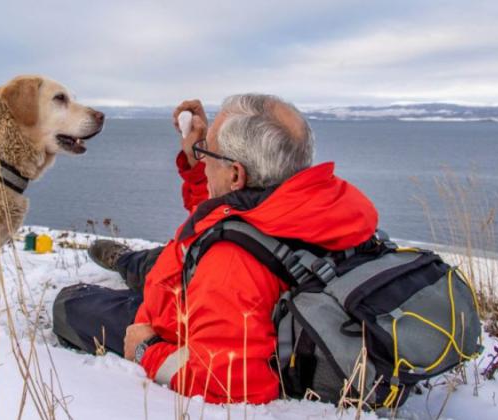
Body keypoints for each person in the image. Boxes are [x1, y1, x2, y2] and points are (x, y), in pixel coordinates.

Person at [52, 94, 378, 404]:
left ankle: (131, 269)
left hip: (182, 312)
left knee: (71, 304)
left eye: (208, 149)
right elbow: (228, 214)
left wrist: (145, 349)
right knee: (154, 262)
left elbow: (229, 382)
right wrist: (199, 161)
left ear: (236, 174)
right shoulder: (307, 203)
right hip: (210, 279)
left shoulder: (230, 265)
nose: (202, 154)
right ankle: (129, 262)